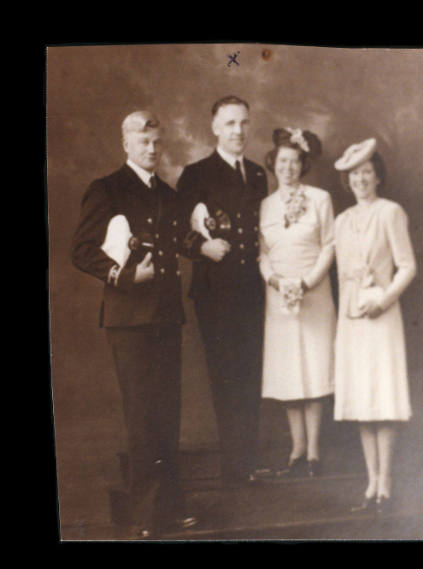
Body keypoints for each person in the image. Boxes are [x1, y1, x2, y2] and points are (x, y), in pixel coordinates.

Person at [71, 111, 198, 538]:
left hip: (165, 314)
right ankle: (147, 513)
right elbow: (83, 250)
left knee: (167, 414)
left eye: (157, 142)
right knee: (142, 416)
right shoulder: (106, 190)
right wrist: (124, 276)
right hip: (129, 320)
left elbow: (181, 238)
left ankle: (172, 504)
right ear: (125, 143)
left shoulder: (167, 192)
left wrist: (206, 240)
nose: (151, 149)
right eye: (143, 142)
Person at [177, 96, 268, 485]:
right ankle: (234, 467)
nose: (238, 131)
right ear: (214, 128)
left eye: (244, 123)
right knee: (226, 374)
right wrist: (202, 247)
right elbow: (177, 230)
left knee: (251, 373)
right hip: (216, 292)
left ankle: (249, 461)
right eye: (230, 123)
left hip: (254, 289)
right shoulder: (196, 173)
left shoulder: (260, 173)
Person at [333, 138, 417, 514]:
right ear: (347, 181)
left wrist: (382, 299)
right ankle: (370, 480)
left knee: (383, 398)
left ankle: (387, 480)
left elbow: (408, 266)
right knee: (362, 402)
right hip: (351, 322)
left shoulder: (390, 212)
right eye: (354, 174)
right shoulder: (342, 221)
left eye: (367, 172)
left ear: (377, 175)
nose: (361, 179)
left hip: (382, 318)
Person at [259, 128, 336, 478]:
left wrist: (307, 283)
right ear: (273, 164)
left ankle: (316, 451)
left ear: (302, 164)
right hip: (278, 297)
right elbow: (262, 254)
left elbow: (330, 245)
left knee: (315, 366)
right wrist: (275, 281)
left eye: (294, 161)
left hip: (314, 294)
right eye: (282, 161)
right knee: (289, 370)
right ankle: (297, 448)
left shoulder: (320, 199)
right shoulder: (265, 206)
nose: (288, 168)